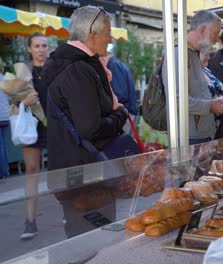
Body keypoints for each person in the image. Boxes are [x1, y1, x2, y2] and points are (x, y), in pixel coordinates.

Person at [43, 6, 127, 238]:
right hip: (85, 175)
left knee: (91, 237)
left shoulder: (77, 64)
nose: (110, 39)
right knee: (92, 240)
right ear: (92, 35)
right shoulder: (78, 69)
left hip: (80, 171)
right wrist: (120, 114)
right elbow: (90, 128)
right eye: (108, 33)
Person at [162, 10, 223, 145]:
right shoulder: (179, 54)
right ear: (203, 29)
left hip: (200, 136)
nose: (217, 39)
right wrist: (210, 106)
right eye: (216, 33)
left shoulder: (191, 53)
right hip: (190, 139)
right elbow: (176, 100)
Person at [18, 32, 49, 240]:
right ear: (29, 49)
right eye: (36, 46)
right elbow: (12, 105)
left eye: (44, 46)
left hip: (55, 126)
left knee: (63, 169)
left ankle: (69, 210)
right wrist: (24, 103)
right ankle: (30, 221)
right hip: (32, 127)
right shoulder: (22, 72)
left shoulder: (55, 69)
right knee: (31, 171)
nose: (41, 50)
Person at [103, 45, 138, 134]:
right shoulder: (116, 64)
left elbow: (120, 95)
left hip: (126, 114)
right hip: (128, 113)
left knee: (122, 145)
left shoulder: (113, 66)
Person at [0, 57, 9, 179]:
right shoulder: (5, 79)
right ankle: (5, 170)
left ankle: (2, 173)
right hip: (6, 116)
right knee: (2, 145)